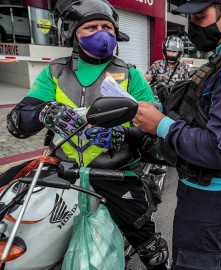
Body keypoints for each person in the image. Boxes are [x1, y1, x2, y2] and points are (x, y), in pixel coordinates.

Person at [5, 0, 168, 269]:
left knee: (151, 249)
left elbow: (153, 129)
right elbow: (18, 120)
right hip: (62, 170)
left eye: (107, 27)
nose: (101, 32)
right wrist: (44, 111)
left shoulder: (131, 75)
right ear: (72, 33)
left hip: (117, 173)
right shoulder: (54, 72)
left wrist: (122, 135)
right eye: (91, 27)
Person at [132, 0, 221, 268]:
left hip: (209, 197)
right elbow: (200, 108)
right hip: (213, 194)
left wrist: (160, 125)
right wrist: (160, 109)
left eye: (199, 17)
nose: (192, 28)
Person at [145, 35, 192, 99]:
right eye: (169, 51)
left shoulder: (185, 68)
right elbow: (145, 78)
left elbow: (192, 86)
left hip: (175, 102)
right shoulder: (158, 64)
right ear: (165, 51)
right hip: (157, 100)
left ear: (179, 52)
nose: (171, 54)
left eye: (174, 52)